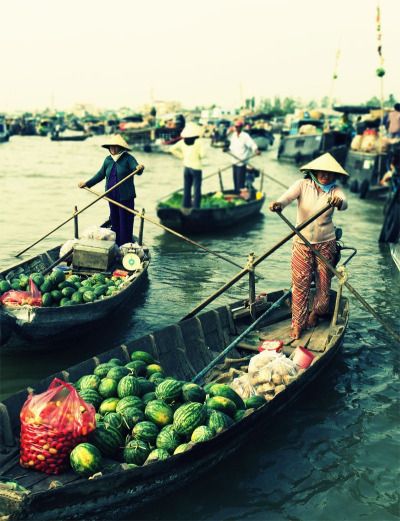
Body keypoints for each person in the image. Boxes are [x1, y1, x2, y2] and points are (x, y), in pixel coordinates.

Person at [269, 152, 349, 340]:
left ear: (334, 175)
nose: (325, 176)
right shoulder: (302, 185)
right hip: (301, 242)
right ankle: (297, 323)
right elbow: (286, 198)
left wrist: (339, 202)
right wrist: (278, 204)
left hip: (325, 243)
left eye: (329, 173)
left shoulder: (334, 190)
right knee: (300, 284)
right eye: (321, 172)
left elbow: (344, 203)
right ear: (313, 171)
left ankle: (317, 312)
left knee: (323, 284)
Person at [78, 134, 144, 246]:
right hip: (111, 196)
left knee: (125, 222)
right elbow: (100, 175)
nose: (112, 149)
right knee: (114, 220)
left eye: (115, 147)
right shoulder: (108, 160)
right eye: (111, 147)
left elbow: (137, 169)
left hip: (125, 197)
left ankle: (125, 245)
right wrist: (87, 184)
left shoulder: (128, 158)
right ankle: (115, 245)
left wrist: (139, 168)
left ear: (121, 147)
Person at [169, 122, 204, 211]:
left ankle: (185, 205)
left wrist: (182, 156)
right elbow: (203, 155)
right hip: (196, 168)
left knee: (187, 188)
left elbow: (171, 149)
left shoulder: (182, 142)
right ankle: (196, 208)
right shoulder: (199, 142)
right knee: (197, 189)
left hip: (186, 167)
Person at [228, 119, 260, 193]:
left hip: (241, 162)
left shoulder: (245, 136)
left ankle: (242, 196)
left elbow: (252, 144)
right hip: (234, 162)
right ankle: (237, 193)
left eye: (239, 127)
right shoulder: (233, 135)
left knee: (240, 183)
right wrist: (226, 149)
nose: (237, 128)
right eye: (236, 127)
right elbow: (231, 147)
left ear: (241, 127)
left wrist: (256, 150)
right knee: (235, 182)